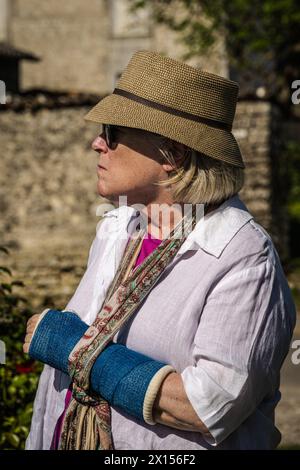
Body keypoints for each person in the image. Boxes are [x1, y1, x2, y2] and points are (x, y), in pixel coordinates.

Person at [23, 50, 296, 450]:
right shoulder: (118, 228)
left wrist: (71, 348)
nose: (97, 143)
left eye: (113, 132)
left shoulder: (244, 258)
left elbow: (210, 405)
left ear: (174, 154)